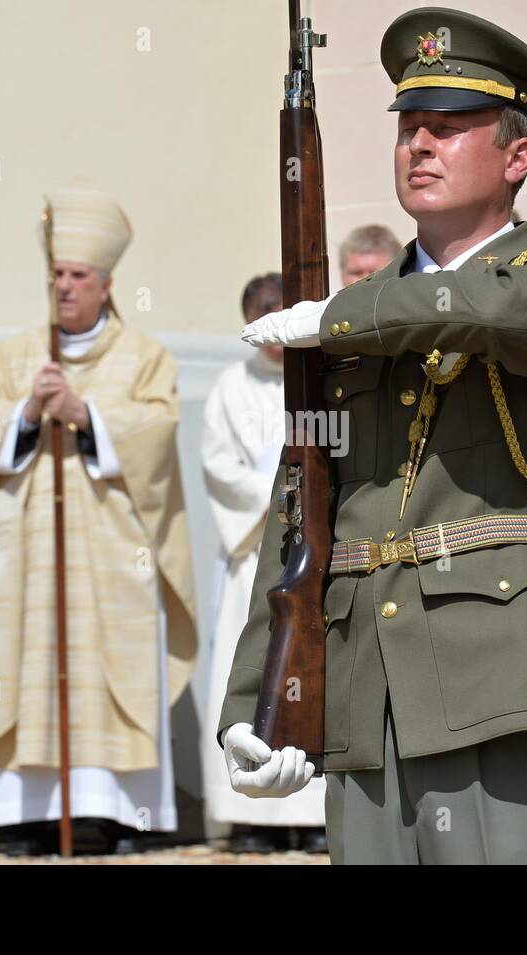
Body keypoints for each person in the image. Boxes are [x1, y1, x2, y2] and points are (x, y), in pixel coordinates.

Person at [216, 7, 527, 864]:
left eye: (448, 128)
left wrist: (339, 312)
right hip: (366, 695)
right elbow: (302, 507)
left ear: (518, 155)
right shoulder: (343, 331)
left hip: (502, 683)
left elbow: (481, 306)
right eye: (410, 126)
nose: (419, 145)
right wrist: (258, 698)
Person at [0, 176, 196, 856]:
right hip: (30, 550)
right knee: (27, 663)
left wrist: (87, 415)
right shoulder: (14, 356)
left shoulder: (145, 355)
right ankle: (27, 816)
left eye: (78, 274)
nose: (64, 286)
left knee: (113, 668)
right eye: (56, 274)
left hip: (115, 550)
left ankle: (120, 814)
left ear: (106, 282)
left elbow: (158, 430)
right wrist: (26, 415)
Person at [199, 273, 328, 854]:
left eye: (284, 309)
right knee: (252, 665)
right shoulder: (230, 386)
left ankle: (312, 810)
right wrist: (284, 496)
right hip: (258, 549)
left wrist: (309, 501)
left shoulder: (322, 377)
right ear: (249, 317)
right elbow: (218, 467)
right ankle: (249, 813)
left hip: (314, 550)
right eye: (264, 310)